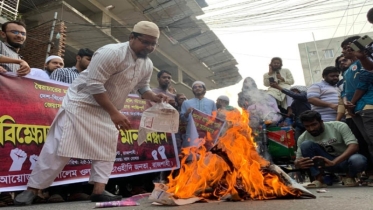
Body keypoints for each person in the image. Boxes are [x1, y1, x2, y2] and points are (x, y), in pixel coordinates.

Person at [14, 20, 168, 205]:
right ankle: (32, 190)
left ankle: (99, 191)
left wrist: (153, 96)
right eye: (145, 42)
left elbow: (142, 87)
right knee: (60, 148)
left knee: (106, 150)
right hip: (81, 104)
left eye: (153, 44)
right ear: (132, 37)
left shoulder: (147, 64)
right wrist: (114, 113)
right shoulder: (111, 52)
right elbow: (94, 84)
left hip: (107, 110)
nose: (149, 47)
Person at [294, 110, 367, 188]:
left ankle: (350, 177)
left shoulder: (339, 126)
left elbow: (354, 146)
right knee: (306, 144)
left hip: (345, 161)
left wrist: (334, 162)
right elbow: (298, 159)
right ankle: (318, 179)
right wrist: (298, 164)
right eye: (307, 126)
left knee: (358, 160)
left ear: (321, 122)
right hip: (325, 163)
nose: (311, 129)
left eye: (314, 124)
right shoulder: (303, 137)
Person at [180, 81, 217, 147]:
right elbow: (182, 119)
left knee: (206, 152)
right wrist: (187, 113)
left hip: (207, 132)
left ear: (204, 89)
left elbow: (215, 118)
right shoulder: (186, 103)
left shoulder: (211, 102)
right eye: (195, 87)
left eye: (200, 87)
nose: (197, 88)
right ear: (193, 90)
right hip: (192, 132)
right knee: (192, 152)